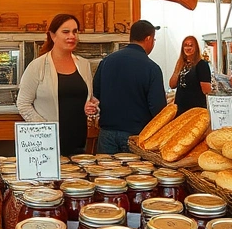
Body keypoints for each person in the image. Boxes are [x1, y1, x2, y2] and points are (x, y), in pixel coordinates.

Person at [16, 14, 97, 156]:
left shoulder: (84, 65)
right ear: (53, 36)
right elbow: (23, 104)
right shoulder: (37, 66)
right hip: (46, 144)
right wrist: (45, 128)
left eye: (75, 31)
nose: (72, 36)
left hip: (78, 141)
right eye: (66, 32)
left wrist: (91, 108)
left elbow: (87, 99)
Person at [93, 20, 166, 154]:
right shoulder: (152, 68)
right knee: (135, 174)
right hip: (136, 136)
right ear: (148, 39)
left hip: (107, 133)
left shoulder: (107, 61)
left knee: (105, 174)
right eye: (154, 39)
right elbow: (158, 109)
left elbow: (95, 95)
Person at [168, 35, 212, 114]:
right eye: (185, 45)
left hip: (195, 109)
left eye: (191, 45)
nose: (188, 48)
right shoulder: (181, 64)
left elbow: (206, 90)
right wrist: (177, 69)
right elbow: (172, 85)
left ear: (196, 48)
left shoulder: (201, 64)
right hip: (180, 108)